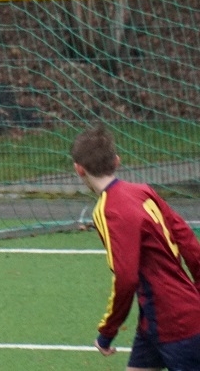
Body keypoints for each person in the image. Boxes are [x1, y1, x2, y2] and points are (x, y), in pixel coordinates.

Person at [72, 125, 200, 370]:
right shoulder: (143, 191)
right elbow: (187, 239)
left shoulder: (108, 210)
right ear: (117, 161)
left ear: (79, 169)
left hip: (175, 325)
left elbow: (126, 278)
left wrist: (107, 331)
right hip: (154, 322)